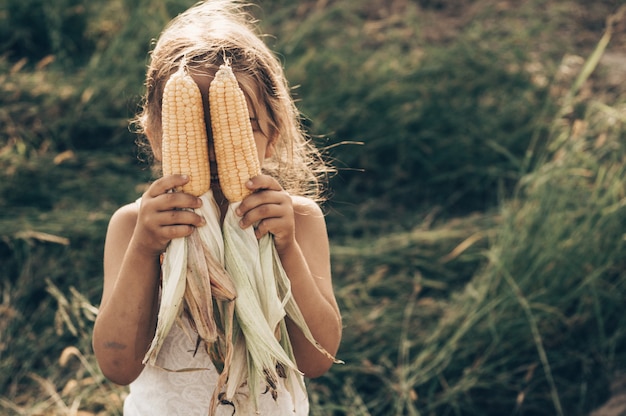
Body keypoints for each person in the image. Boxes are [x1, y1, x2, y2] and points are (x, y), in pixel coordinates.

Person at [92, 1, 342, 414]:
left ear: (272, 133)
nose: (210, 144)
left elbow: (318, 360)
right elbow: (117, 364)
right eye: (191, 123)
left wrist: (287, 250)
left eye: (232, 124)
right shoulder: (134, 226)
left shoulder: (298, 221)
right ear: (156, 136)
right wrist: (143, 250)